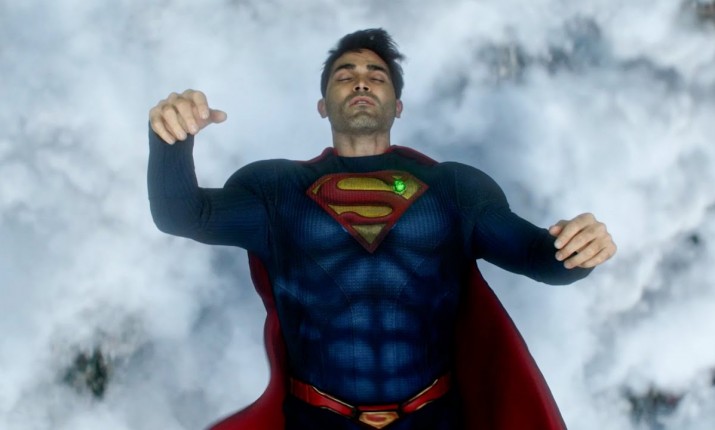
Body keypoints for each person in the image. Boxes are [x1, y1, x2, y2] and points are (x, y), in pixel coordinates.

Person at [147, 29, 616, 430]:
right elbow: (185, 215)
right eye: (344, 75)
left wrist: (580, 249)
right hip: (317, 420)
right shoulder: (275, 191)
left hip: (434, 418)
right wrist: (171, 140)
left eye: (377, 75)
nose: (361, 81)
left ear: (398, 106)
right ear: (322, 106)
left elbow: (540, 258)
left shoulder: (455, 190)